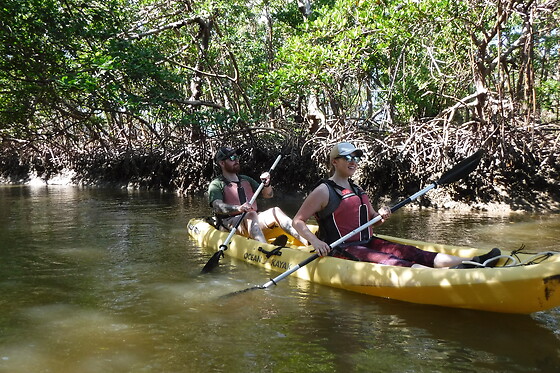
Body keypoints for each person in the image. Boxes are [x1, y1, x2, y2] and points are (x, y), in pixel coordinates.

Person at [291, 142, 501, 269]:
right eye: (347, 157)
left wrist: (381, 216)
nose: (353, 161)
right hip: (341, 249)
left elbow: (372, 219)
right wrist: (315, 242)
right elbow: (298, 220)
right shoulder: (324, 191)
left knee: (411, 251)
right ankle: (449, 276)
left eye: (356, 157)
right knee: (392, 261)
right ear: (334, 162)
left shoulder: (358, 189)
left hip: (367, 242)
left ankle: (474, 262)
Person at [208, 146, 307, 245]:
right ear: (222, 163)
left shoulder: (246, 179)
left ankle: (307, 241)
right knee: (251, 214)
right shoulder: (216, 184)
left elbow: (268, 195)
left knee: (275, 210)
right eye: (232, 158)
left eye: (237, 157)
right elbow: (217, 207)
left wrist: (267, 184)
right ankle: (265, 249)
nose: (236, 160)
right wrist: (239, 208)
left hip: (252, 221)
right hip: (230, 224)